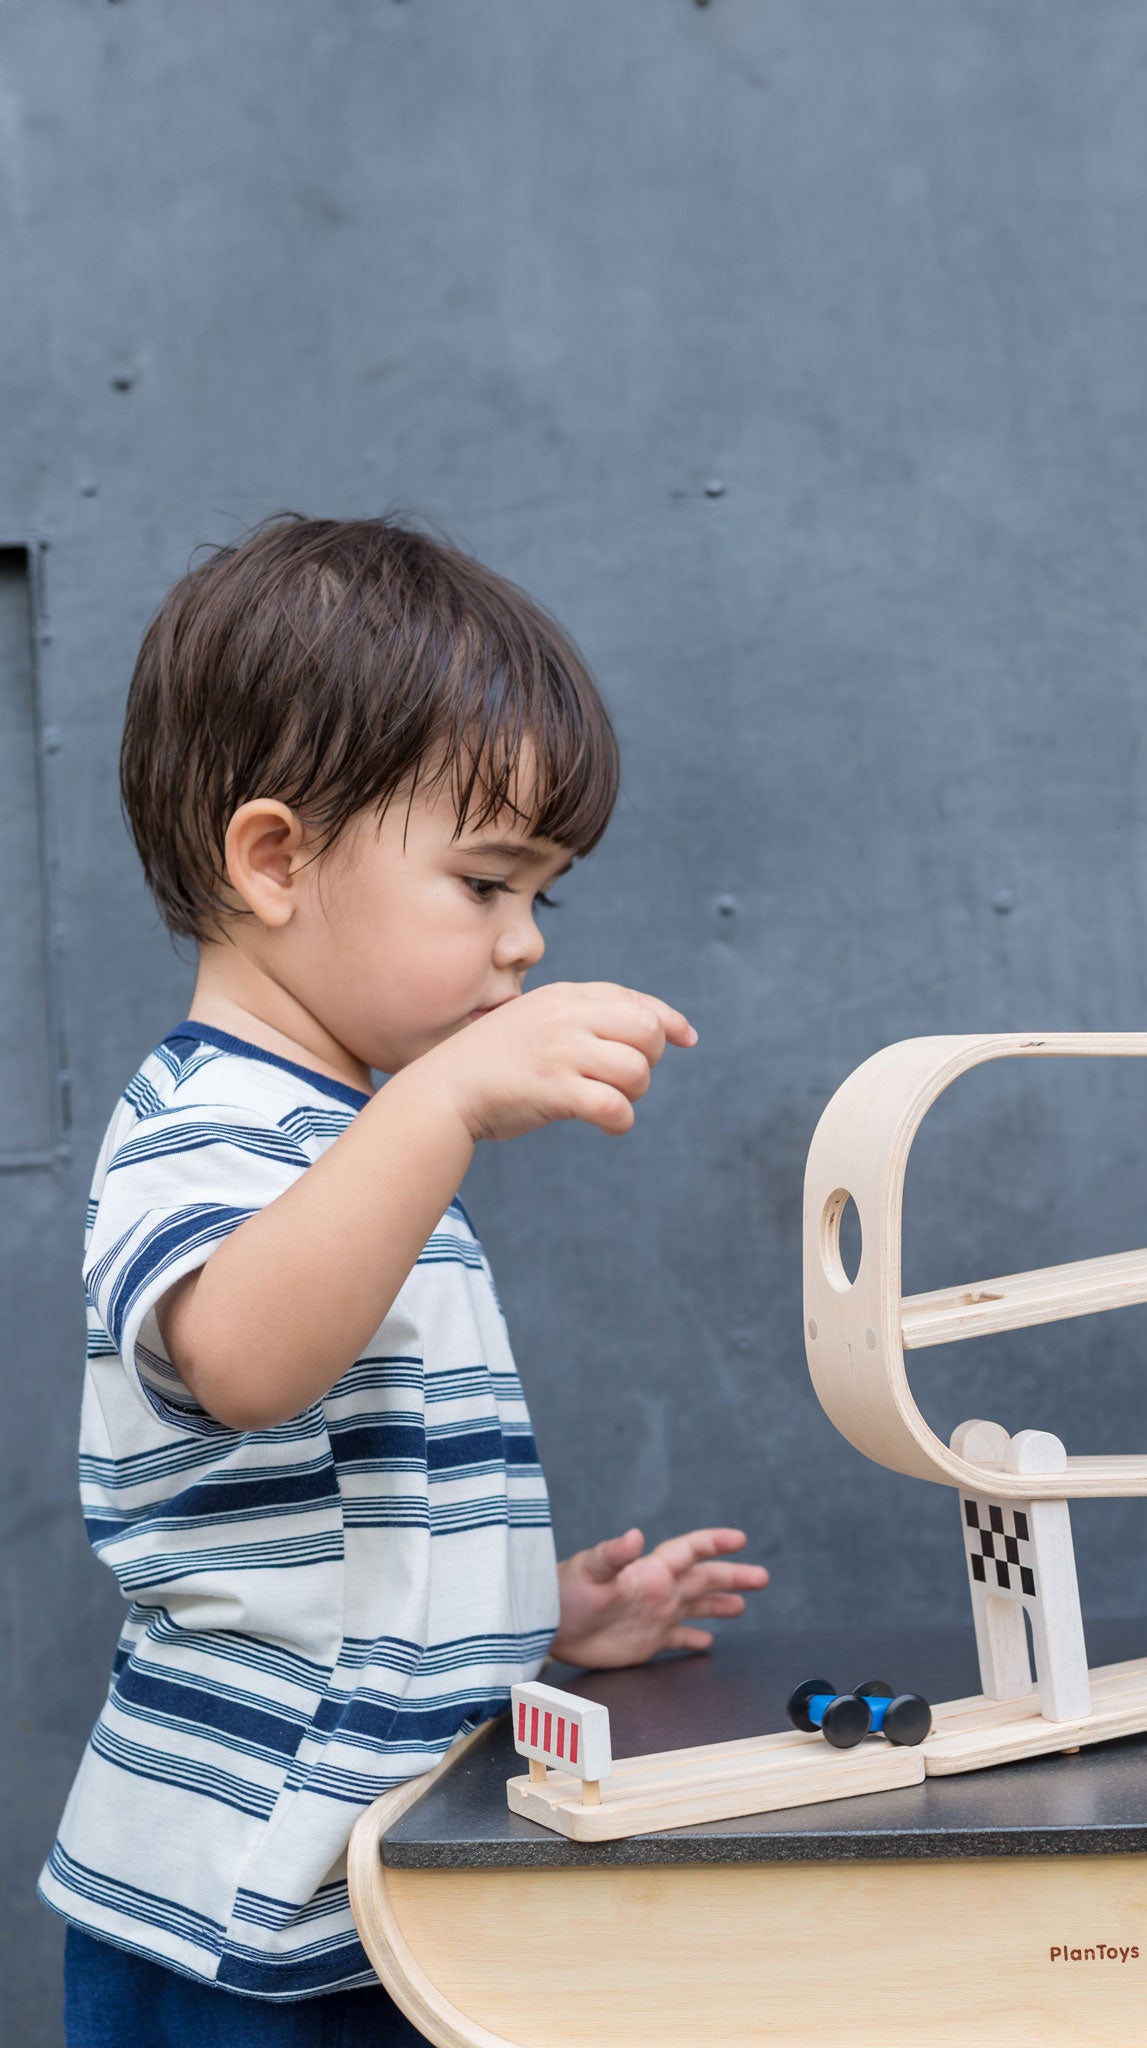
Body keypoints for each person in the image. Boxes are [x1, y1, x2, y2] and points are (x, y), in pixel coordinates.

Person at [39, 514, 768, 2044]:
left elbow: (337, 1511)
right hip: (233, 1918)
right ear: (275, 858)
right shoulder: (204, 1128)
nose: (519, 948)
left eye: (542, 900)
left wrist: (534, 1620)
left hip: (366, 1889)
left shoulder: (345, 1141)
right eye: (485, 883)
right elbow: (243, 1363)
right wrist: (438, 1108)